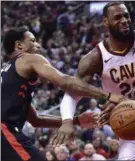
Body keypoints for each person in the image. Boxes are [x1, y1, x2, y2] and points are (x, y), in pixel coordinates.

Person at [60, 2, 135, 160]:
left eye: (126, 15)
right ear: (105, 22)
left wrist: (123, 103)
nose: (124, 20)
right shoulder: (95, 58)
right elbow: (73, 92)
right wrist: (67, 120)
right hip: (132, 128)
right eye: (117, 17)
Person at [1, 26, 122, 161]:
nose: (38, 45)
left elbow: (36, 120)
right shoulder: (28, 59)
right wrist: (109, 95)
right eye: (33, 41)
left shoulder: (8, 76)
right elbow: (66, 82)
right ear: (19, 45)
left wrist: (76, 121)